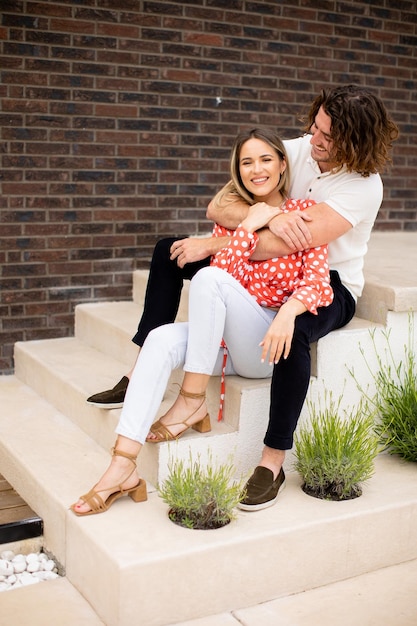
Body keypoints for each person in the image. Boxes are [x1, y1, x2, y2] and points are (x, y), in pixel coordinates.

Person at [85, 84, 399, 512]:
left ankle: (272, 463)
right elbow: (222, 203)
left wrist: (217, 245)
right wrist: (262, 215)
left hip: (328, 282)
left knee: (294, 333)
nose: (313, 138)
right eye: (315, 126)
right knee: (169, 251)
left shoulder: (363, 187)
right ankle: (137, 370)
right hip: (259, 268)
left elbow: (287, 246)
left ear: (354, 142)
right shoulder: (302, 147)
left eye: (326, 136)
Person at [71, 128, 334, 515]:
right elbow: (222, 272)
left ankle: (192, 401)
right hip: (223, 344)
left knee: (209, 277)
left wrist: (288, 315)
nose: (256, 169)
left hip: (264, 344)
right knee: (160, 339)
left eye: (265, 160)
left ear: (282, 165)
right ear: (237, 170)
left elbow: (318, 286)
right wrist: (248, 226)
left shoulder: (303, 217)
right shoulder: (234, 217)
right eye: (246, 162)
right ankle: (122, 467)